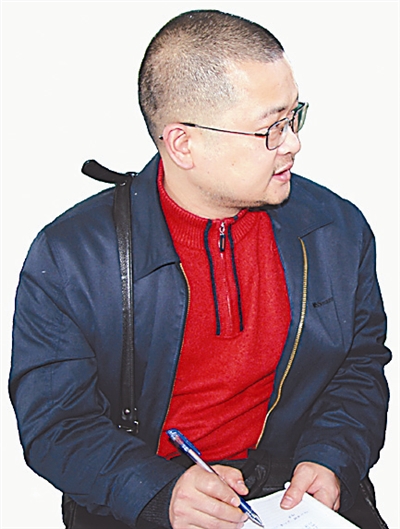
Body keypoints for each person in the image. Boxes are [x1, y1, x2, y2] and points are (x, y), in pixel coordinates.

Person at [9, 9, 390, 529]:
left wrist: (331, 457)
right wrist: (155, 491)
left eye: (293, 116)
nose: (293, 143)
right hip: (142, 496)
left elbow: (359, 366)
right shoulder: (72, 257)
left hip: (294, 494)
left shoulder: (335, 229)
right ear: (183, 144)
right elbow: (56, 423)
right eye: (270, 128)